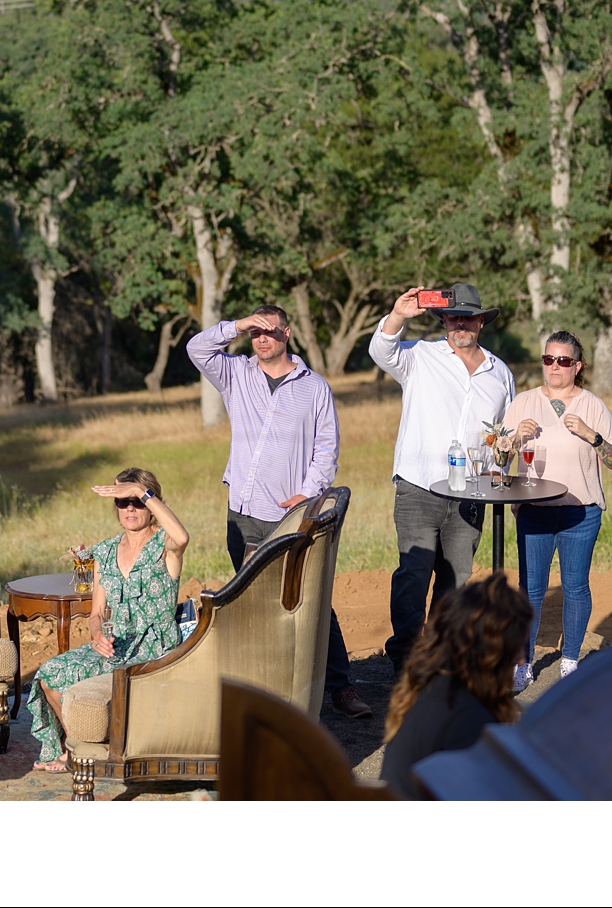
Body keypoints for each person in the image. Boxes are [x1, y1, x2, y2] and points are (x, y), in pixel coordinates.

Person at [186, 303, 369, 719]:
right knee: (249, 600)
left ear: (287, 333)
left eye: (269, 331)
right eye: (256, 332)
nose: (261, 338)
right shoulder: (235, 375)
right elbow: (197, 349)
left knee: (309, 598)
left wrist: (307, 494)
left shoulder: (314, 387)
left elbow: (326, 447)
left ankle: (340, 688)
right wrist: (238, 324)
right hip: (242, 511)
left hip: (288, 514)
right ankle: (266, 688)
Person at [368, 283, 517, 673]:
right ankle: (403, 656)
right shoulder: (419, 355)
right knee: (414, 572)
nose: (459, 324)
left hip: (472, 491)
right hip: (419, 483)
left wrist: (500, 473)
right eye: (453, 317)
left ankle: (437, 650)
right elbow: (380, 350)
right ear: (443, 320)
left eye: (467, 317)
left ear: (481, 321)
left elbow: (504, 433)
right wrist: (398, 315)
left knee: (456, 576)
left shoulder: (499, 372)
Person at [28, 468, 190, 773]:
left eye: (138, 502)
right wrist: (97, 634)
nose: (130, 508)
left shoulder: (164, 547)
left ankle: (88, 751)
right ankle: (79, 746)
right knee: (48, 674)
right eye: (122, 501)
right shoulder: (104, 551)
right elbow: (97, 612)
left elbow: (182, 536)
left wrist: (143, 492)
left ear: (151, 503)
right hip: (118, 645)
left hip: (154, 647)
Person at [500, 329, 612, 690]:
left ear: (577, 365)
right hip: (534, 510)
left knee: (575, 586)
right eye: (548, 359)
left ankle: (569, 659)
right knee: (530, 590)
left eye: (563, 360)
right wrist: (510, 440)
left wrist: (592, 435)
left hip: (580, 512)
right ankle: (523, 664)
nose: (554, 366)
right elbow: (498, 457)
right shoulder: (523, 401)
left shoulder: (593, 406)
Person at [378, 573, 531, 799]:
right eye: (517, 646)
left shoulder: (434, 687)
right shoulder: (467, 719)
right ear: (492, 651)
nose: (521, 659)